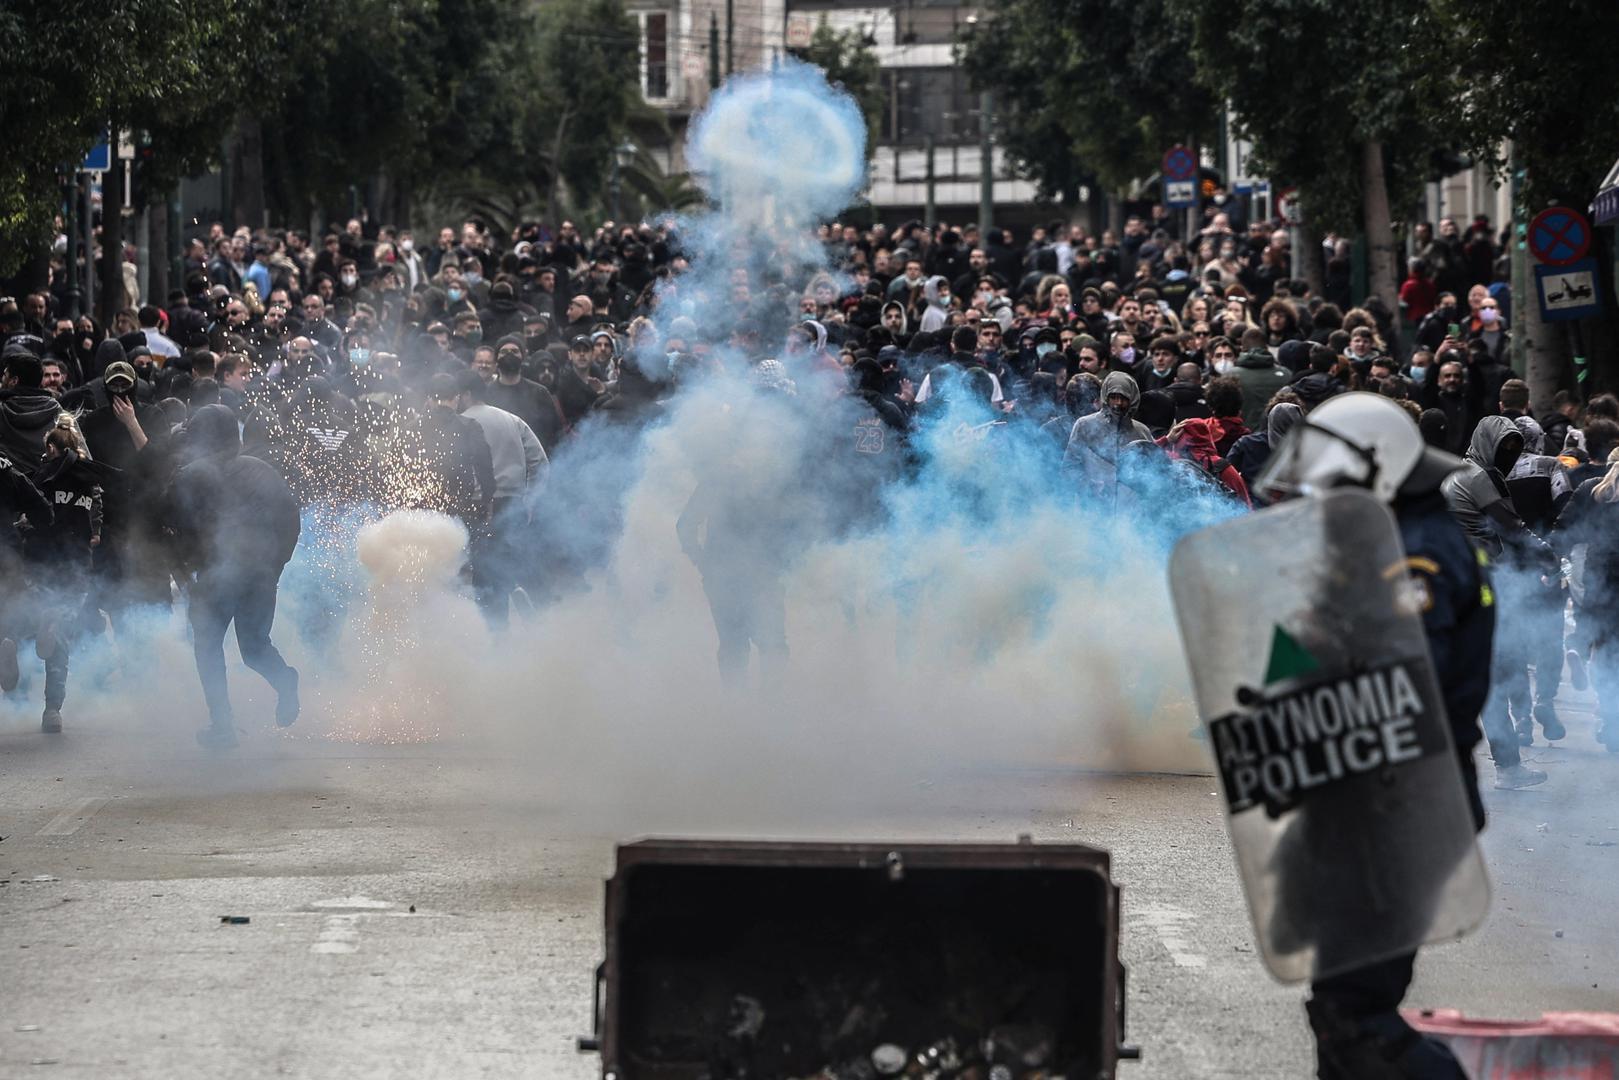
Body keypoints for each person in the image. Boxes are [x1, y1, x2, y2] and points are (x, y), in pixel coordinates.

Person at [1255, 393, 1496, 1079]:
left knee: (1355, 1015)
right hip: (1370, 796)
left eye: (1333, 480)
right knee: (1340, 1011)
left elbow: (1402, 686)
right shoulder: (1381, 539)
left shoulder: (1417, 554)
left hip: (1405, 800)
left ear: (1377, 468)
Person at [163, 404, 302, 748]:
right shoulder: (262, 469)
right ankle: (284, 680)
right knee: (254, 646)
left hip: (217, 577)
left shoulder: (191, 474)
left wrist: (186, 575)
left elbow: (168, 528)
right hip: (260, 574)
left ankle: (222, 725)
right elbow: (291, 518)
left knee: (207, 647)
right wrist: (276, 565)